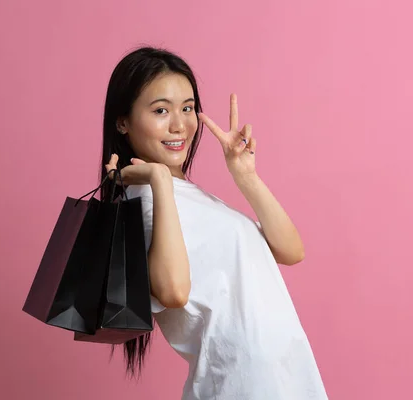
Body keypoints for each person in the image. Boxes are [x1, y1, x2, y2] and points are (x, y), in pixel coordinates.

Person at [100, 46, 328, 399]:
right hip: (242, 386)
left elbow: (290, 250)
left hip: (282, 378)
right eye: (161, 110)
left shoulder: (186, 196)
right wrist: (158, 180)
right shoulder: (147, 202)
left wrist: (245, 175)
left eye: (188, 108)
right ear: (123, 121)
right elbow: (173, 292)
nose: (179, 125)